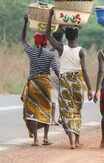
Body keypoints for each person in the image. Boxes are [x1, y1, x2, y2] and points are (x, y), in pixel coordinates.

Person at [46, 8, 93, 149]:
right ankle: (77, 141)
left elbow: (48, 34)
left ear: (66, 36)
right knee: (77, 110)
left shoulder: (61, 48)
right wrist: (90, 88)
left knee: (66, 111)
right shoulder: (82, 51)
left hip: (65, 82)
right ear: (77, 36)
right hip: (78, 82)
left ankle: (71, 141)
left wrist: (50, 16)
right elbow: (84, 70)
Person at [21, 15, 59, 146]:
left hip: (33, 84)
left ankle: (36, 139)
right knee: (46, 109)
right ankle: (46, 138)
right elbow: (56, 69)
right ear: (45, 42)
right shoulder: (50, 54)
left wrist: (25, 23)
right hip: (45, 83)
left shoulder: (31, 51)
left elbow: (23, 39)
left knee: (33, 111)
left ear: (35, 41)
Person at [49, 31, 64, 126]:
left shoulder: (50, 51)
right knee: (62, 96)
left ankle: (53, 119)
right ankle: (61, 117)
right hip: (62, 73)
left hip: (52, 74)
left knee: (53, 96)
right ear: (61, 39)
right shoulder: (63, 49)